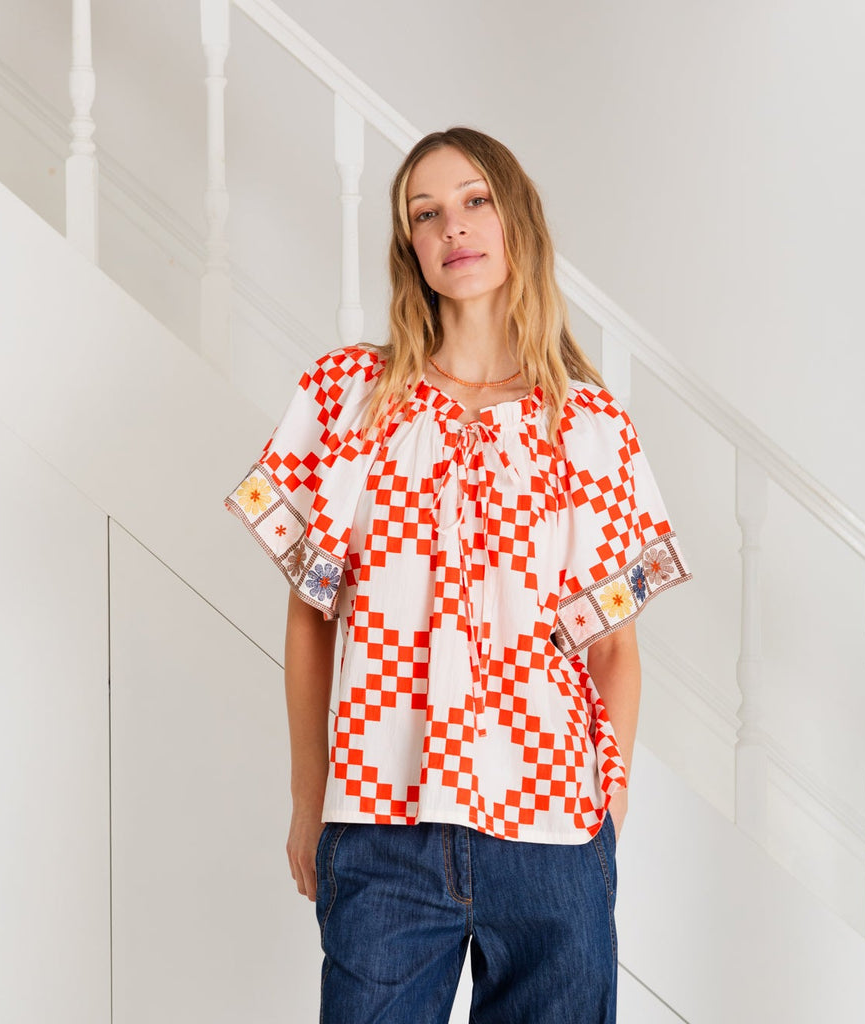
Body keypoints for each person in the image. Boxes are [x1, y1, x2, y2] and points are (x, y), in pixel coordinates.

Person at [225, 126, 691, 1024]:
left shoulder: (591, 428)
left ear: (515, 217)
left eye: (475, 200)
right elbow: (311, 615)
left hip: (556, 830)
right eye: (426, 213)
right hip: (381, 821)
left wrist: (612, 801)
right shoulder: (349, 400)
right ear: (411, 248)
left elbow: (615, 650)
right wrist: (308, 796)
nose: (455, 227)